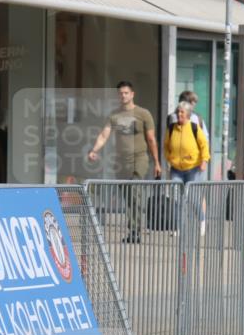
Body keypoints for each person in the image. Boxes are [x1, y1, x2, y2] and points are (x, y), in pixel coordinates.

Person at [88, 81, 162, 243]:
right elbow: (103, 135)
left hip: (139, 158)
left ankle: (135, 230)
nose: (123, 96)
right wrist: (94, 150)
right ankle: (133, 230)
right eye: (120, 93)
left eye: (126, 93)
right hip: (121, 161)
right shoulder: (114, 115)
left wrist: (156, 162)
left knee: (135, 192)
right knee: (127, 196)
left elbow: (151, 139)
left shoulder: (143, 114)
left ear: (132, 94)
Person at [165, 102, 211, 235]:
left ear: (188, 115)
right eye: (178, 112)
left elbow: (204, 146)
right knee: (177, 199)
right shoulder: (172, 128)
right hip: (176, 169)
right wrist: (169, 159)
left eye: (182, 112)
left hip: (193, 168)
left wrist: (204, 161)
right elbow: (166, 146)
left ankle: (201, 221)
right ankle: (178, 228)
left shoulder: (194, 128)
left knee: (193, 198)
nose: (179, 114)